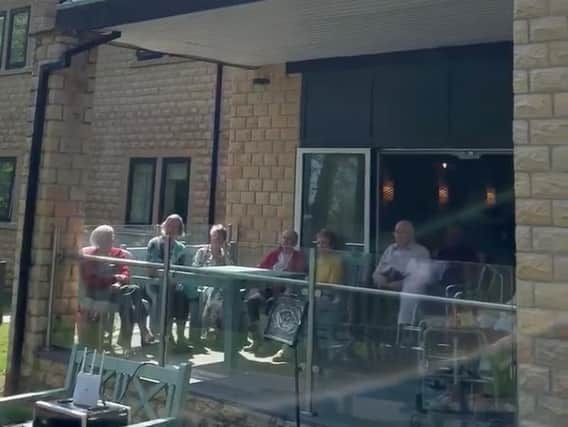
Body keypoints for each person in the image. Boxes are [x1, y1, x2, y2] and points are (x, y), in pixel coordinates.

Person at [273, 229, 343, 363]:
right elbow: (309, 278)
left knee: (300, 310)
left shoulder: (336, 261)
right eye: (318, 243)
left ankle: (289, 349)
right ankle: (286, 345)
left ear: (331, 246)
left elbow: (333, 287)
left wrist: (313, 288)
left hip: (327, 298)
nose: (320, 247)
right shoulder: (316, 259)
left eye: (324, 244)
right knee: (289, 302)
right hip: (312, 296)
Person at [79, 225, 153, 350]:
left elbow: (125, 271)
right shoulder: (91, 256)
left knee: (129, 297)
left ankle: (126, 341)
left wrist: (118, 282)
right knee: (133, 292)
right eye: (108, 238)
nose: (112, 241)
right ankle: (139, 332)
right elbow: (91, 280)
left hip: (118, 291)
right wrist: (113, 279)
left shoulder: (117, 253)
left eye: (112, 238)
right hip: (99, 292)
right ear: (99, 240)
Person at [246, 230, 306, 354]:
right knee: (252, 301)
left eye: (290, 239)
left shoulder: (298, 257)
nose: (286, 241)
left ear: (295, 242)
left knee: (273, 305)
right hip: (269, 288)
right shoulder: (274, 254)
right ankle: (256, 338)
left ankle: (269, 344)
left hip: (287, 291)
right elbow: (260, 268)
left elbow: (299, 274)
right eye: (284, 238)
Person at [146, 214, 191, 350]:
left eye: (174, 226)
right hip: (156, 282)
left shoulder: (181, 248)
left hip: (174, 283)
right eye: (168, 224)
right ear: (164, 226)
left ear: (179, 230)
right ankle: (166, 334)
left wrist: (176, 279)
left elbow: (183, 270)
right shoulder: (155, 243)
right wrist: (168, 276)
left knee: (182, 294)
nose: (170, 228)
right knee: (169, 292)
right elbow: (152, 268)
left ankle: (180, 335)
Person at [193, 224, 233, 342]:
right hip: (204, 284)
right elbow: (195, 269)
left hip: (221, 286)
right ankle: (213, 328)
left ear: (223, 240)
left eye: (220, 237)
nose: (216, 239)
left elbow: (231, 269)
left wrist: (224, 255)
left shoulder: (225, 254)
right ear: (211, 237)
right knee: (215, 292)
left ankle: (211, 328)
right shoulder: (202, 252)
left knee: (222, 293)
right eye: (214, 236)